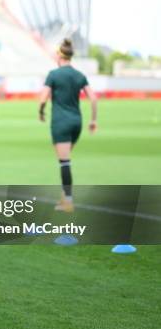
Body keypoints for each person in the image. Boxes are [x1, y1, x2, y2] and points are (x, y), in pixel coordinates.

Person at [39, 38, 97, 212]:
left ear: (59, 55)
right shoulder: (80, 75)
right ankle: (65, 197)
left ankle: (68, 202)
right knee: (65, 159)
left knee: (64, 163)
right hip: (76, 122)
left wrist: (41, 112)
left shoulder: (53, 74)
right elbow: (93, 98)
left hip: (61, 122)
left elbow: (43, 98)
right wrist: (93, 120)